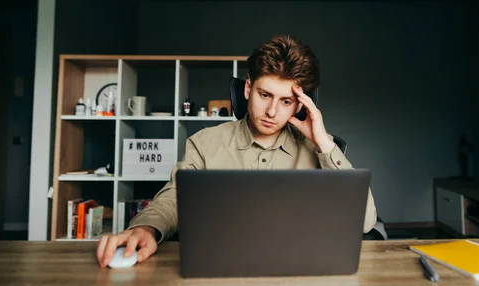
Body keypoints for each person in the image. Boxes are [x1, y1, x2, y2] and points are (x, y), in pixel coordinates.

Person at [96, 34, 377, 267]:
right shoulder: (204, 142)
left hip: (300, 268)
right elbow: (174, 199)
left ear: (300, 105)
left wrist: (324, 143)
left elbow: (365, 222)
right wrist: (146, 228)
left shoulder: (319, 149)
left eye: (286, 101)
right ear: (247, 90)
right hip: (221, 265)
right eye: (264, 95)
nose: (271, 111)